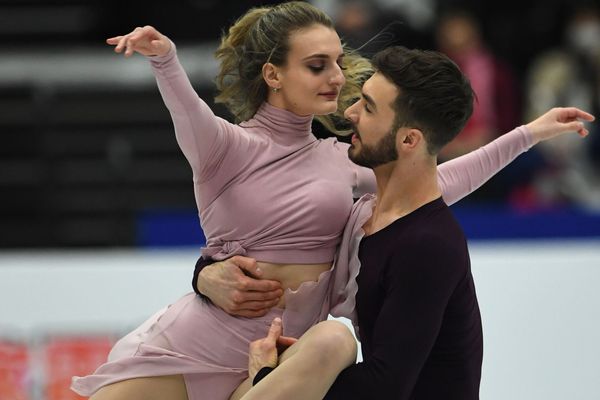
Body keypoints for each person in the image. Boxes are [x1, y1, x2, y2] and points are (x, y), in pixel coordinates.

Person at [69, 3, 592, 400]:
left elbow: (438, 181)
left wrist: (526, 134)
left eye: (338, 63)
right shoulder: (226, 147)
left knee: (336, 342)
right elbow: (186, 111)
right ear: (273, 75)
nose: (337, 78)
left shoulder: (344, 160)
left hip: (284, 359)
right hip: (200, 343)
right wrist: (166, 60)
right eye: (317, 65)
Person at [229, 46, 595, 400]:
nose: (351, 112)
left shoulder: (427, 245)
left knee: (326, 344)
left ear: (408, 139)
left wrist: (270, 380)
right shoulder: (365, 217)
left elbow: (383, 388)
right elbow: (268, 244)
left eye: (368, 107)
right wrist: (206, 276)